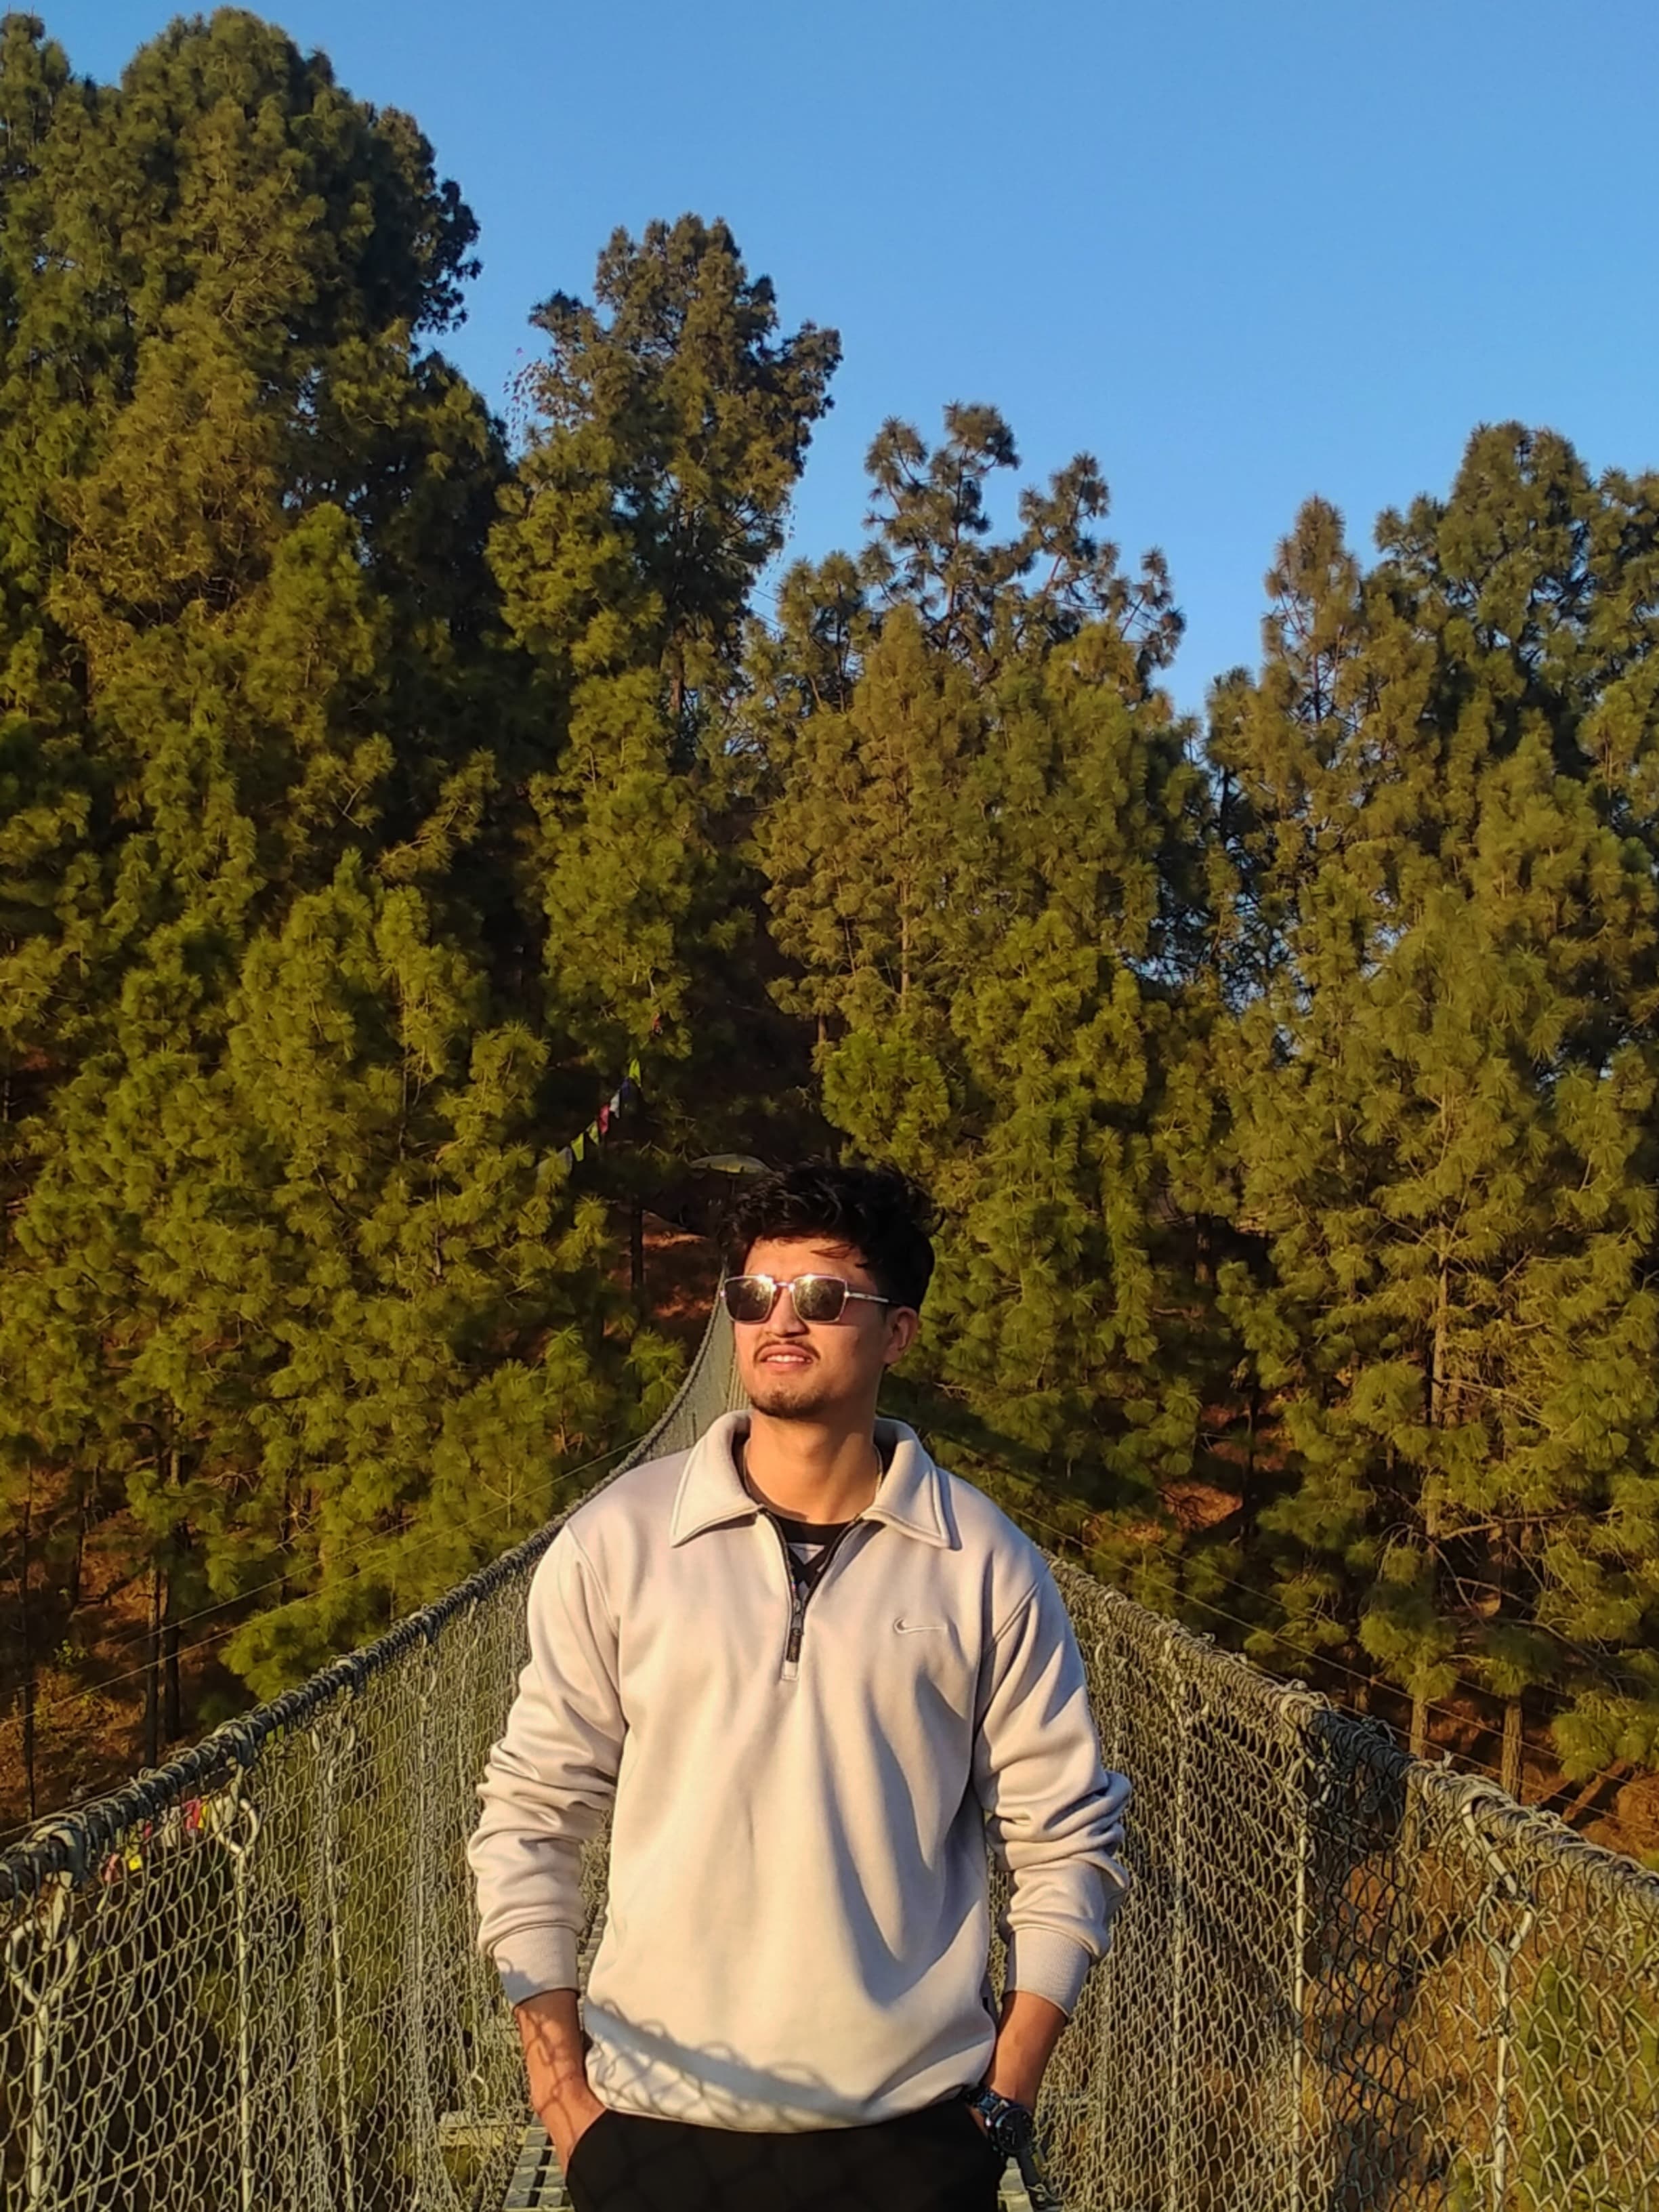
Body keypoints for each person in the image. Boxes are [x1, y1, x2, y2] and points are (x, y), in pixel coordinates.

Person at [467, 1162, 1131, 2212]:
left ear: (897, 1333)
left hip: (910, 2140)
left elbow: (1063, 1839)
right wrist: (564, 2102)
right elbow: (531, 1812)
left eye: (821, 1295)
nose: (780, 1319)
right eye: (753, 1292)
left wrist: (1003, 2104)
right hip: (651, 2128)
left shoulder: (984, 1563)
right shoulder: (618, 1540)